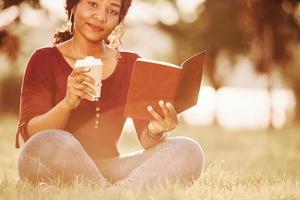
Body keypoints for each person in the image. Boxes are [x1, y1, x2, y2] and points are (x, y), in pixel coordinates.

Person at [16, 0, 204, 188]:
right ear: (73, 6)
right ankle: (116, 193)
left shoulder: (131, 64)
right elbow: (32, 135)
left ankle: (111, 192)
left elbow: (147, 141)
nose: (101, 16)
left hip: (112, 168)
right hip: (59, 161)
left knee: (188, 149)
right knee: (49, 141)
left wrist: (156, 129)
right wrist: (67, 103)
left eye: (112, 11)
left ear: (119, 19)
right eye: (92, 4)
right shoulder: (43, 60)